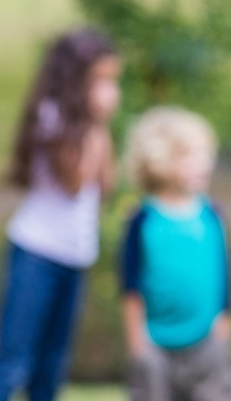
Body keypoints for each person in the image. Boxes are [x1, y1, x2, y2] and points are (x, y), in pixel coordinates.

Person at [0, 28, 120, 401]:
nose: (108, 90)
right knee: (15, 359)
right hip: (38, 251)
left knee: (52, 364)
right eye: (100, 79)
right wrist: (97, 122)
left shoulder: (90, 129)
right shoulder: (50, 117)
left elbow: (104, 185)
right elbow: (74, 181)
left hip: (76, 253)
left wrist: (101, 126)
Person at [119, 106, 231, 401]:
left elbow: (224, 272)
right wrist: (138, 344)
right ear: (159, 159)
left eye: (205, 155)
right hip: (156, 345)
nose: (204, 164)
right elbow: (130, 286)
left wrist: (224, 326)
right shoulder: (142, 220)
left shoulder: (211, 215)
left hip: (207, 342)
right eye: (189, 156)